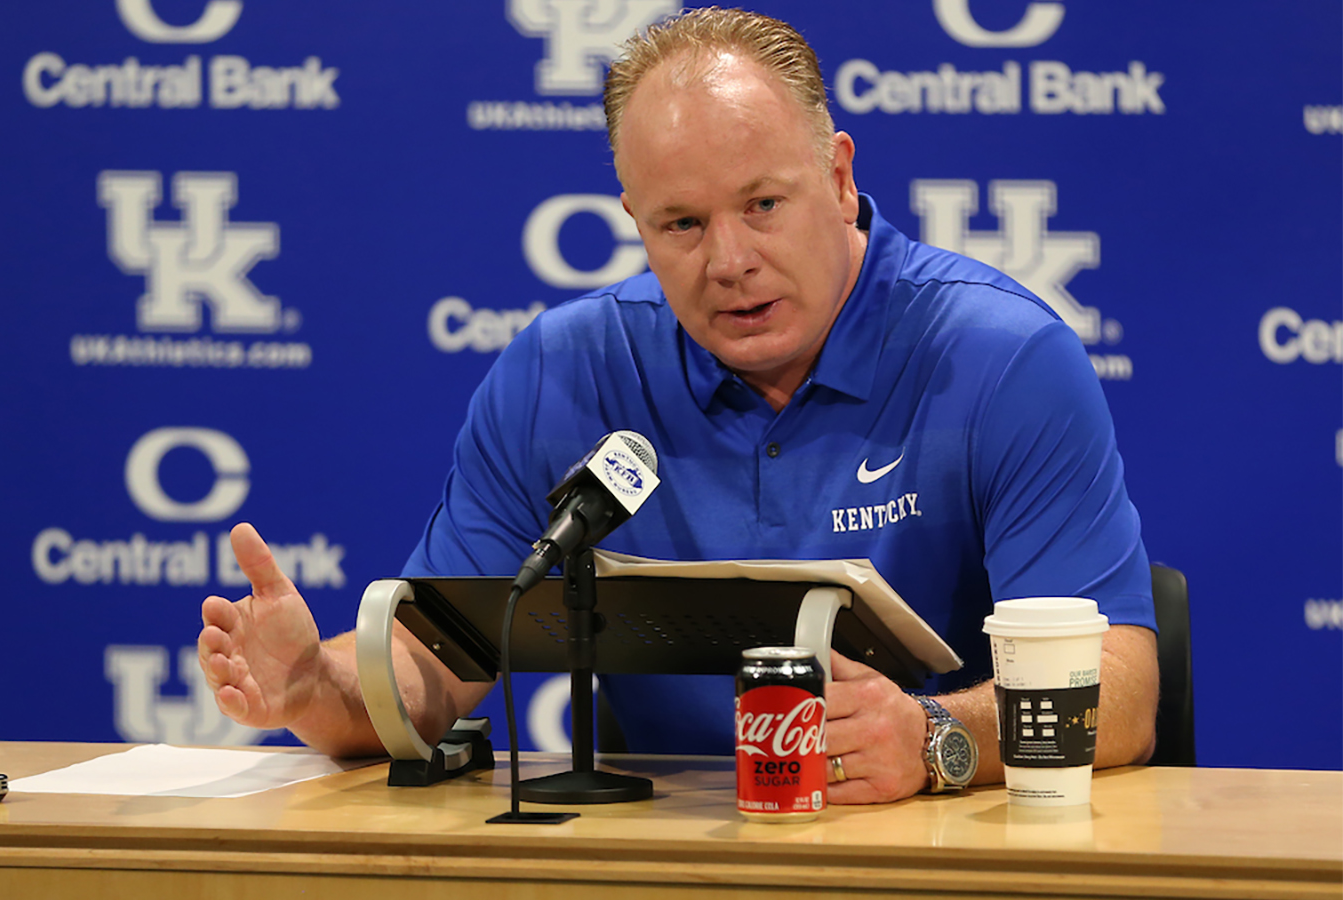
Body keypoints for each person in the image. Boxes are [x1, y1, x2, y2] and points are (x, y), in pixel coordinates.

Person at [198, 8, 1159, 804]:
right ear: (637, 224)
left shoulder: (1002, 359)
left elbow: (1116, 689)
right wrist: (313, 689)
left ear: (837, 175)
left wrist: (933, 736)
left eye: (764, 205)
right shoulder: (560, 372)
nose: (729, 261)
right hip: (667, 859)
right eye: (683, 224)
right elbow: (435, 668)